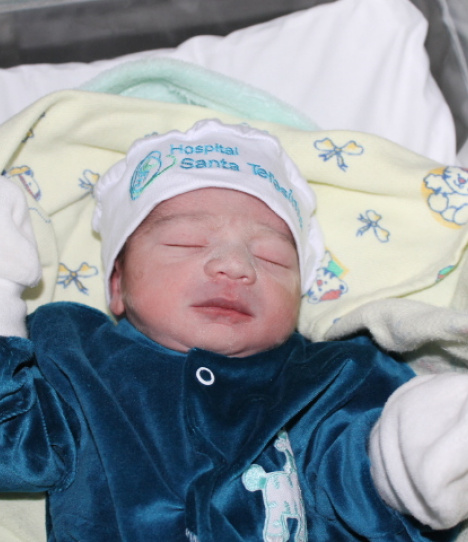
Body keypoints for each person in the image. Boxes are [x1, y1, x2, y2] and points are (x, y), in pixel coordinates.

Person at [0, 119, 461, 541]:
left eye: (271, 257)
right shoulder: (78, 358)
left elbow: (355, 479)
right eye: (186, 242)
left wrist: (408, 460)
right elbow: (13, 442)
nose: (236, 266)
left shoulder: (333, 377)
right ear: (117, 285)